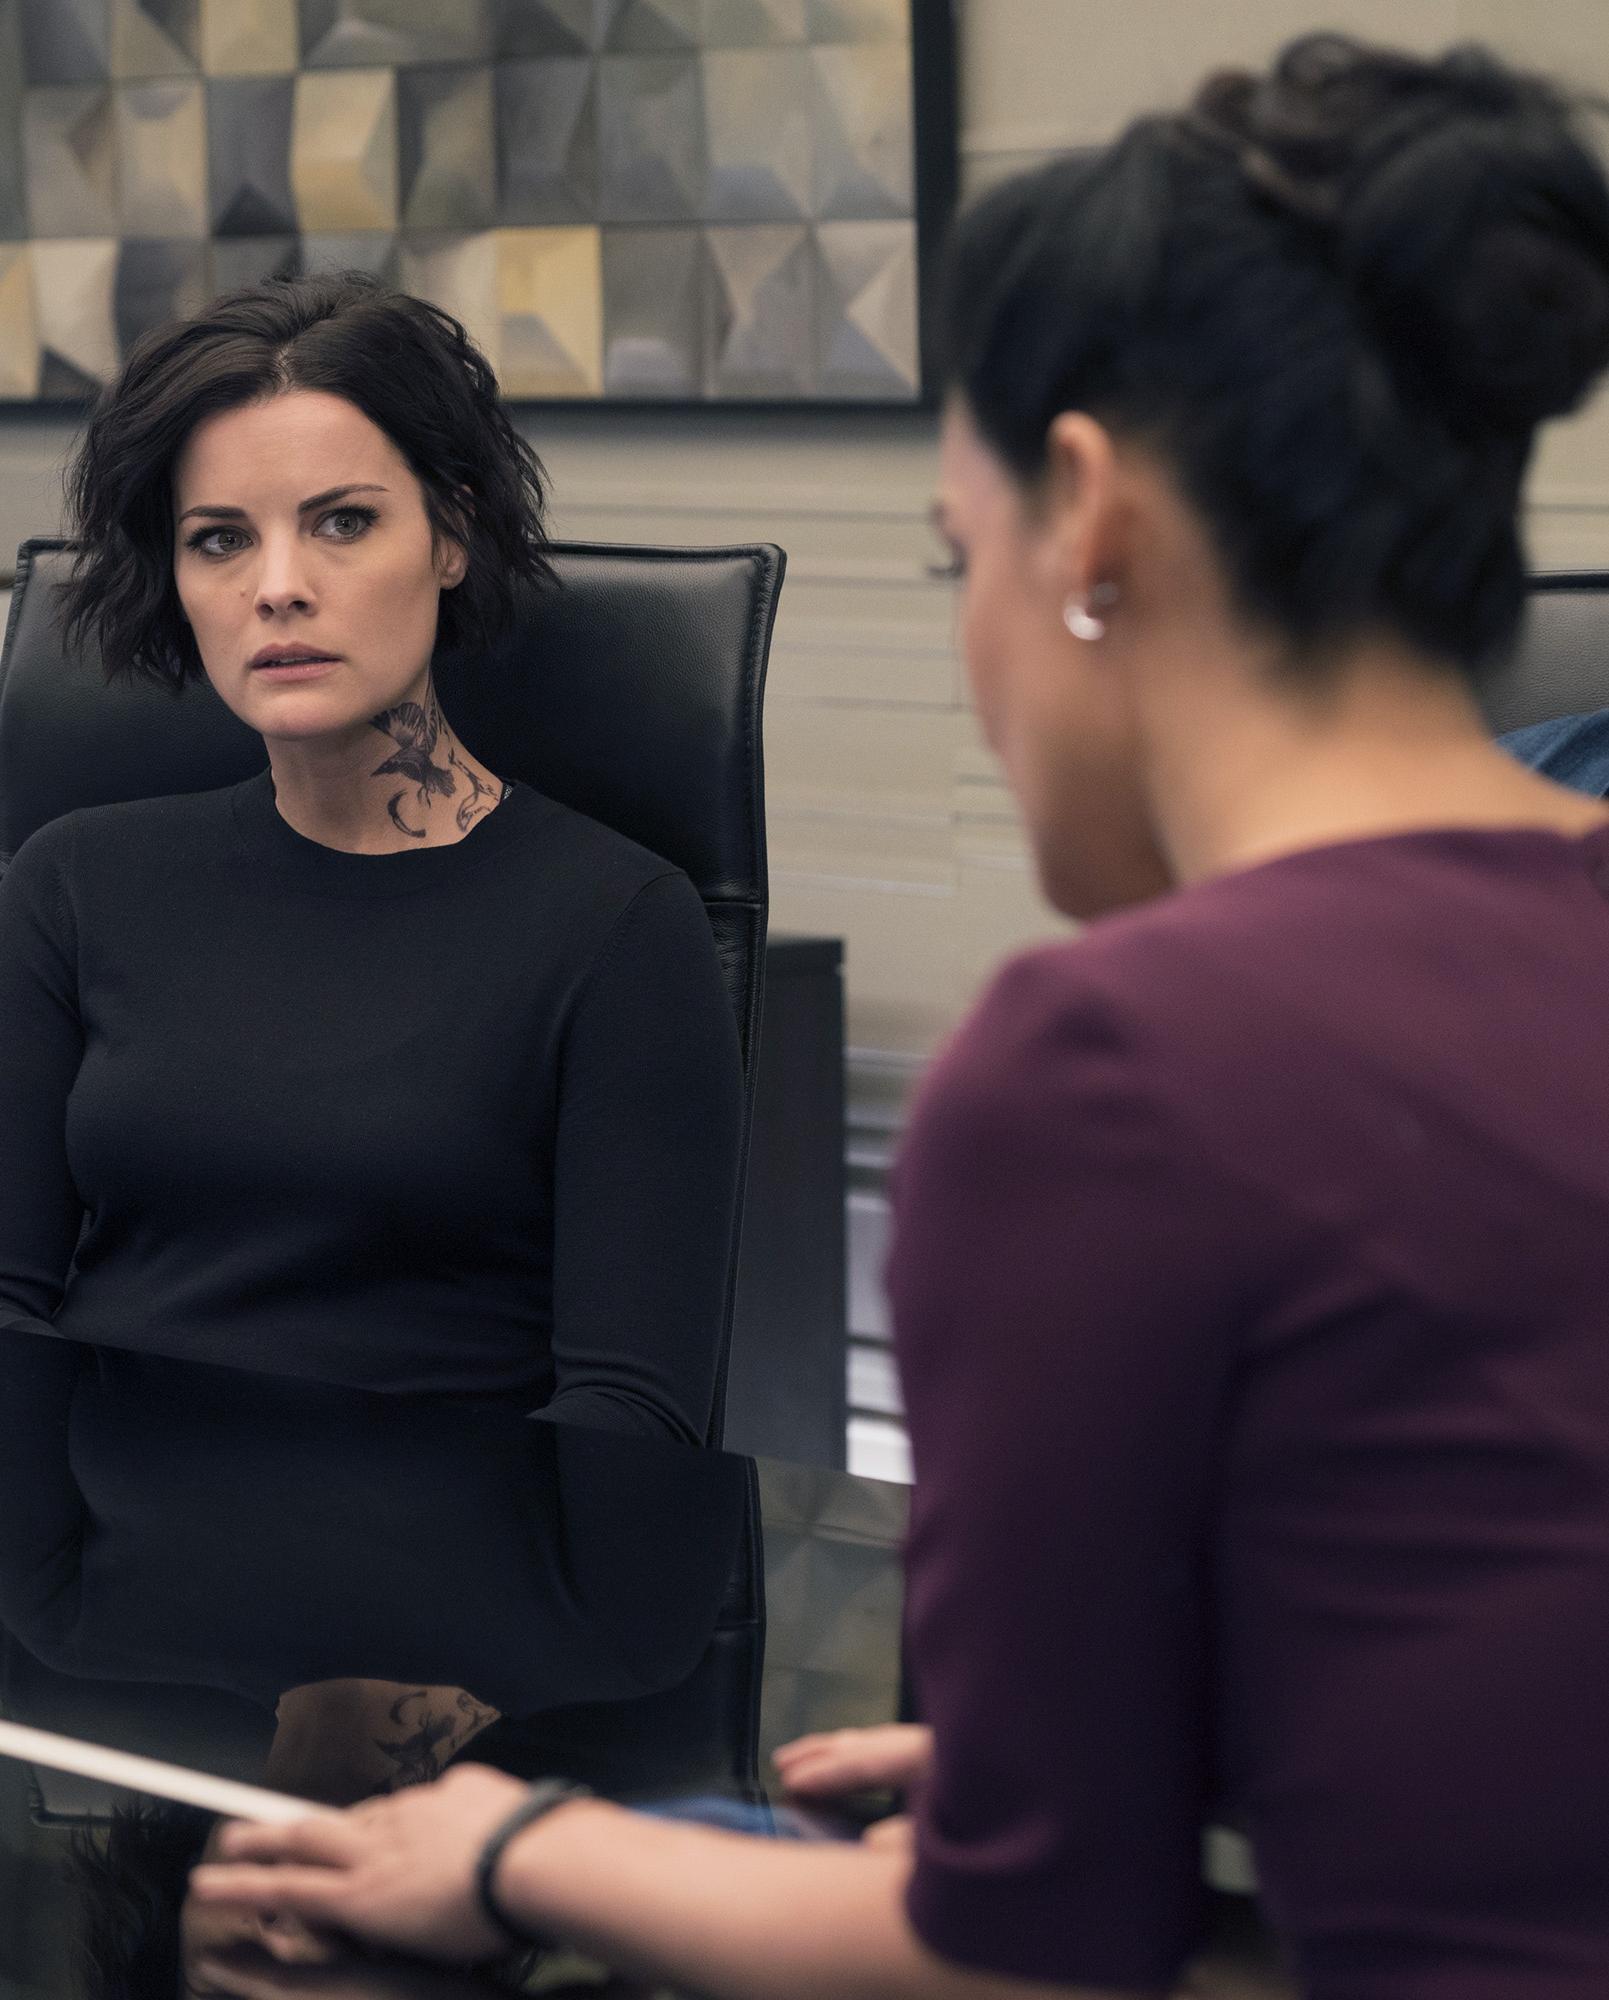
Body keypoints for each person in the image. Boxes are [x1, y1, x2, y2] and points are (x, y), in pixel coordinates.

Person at [190, 35, 1609, 1997]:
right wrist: (1186, 1749)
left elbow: (1022, 1959)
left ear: (1087, 520)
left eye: (961, 557)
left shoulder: (1111, 1072)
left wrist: (519, 1848)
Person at [0, 273, 744, 1442]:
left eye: (342, 521)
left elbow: (630, 1410)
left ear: (451, 535)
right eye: (219, 539)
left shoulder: (618, 923)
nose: (279, 587)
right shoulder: (72, 885)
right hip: (112, 1536)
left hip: (452, 1543)